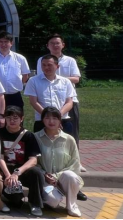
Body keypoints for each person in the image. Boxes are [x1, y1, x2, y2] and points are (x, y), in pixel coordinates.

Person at [37, 36, 84, 167]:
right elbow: (41, 76)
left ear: (63, 45)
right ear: (47, 45)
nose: (55, 45)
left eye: (57, 43)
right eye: (52, 43)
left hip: (68, 100)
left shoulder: (70, 60)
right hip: (48, 99)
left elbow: (76, 78)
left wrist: (57, 78)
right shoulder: (42, 59)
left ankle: (76, 161)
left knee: (71, 133)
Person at [0, 105, 46, 216]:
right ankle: (12, 196)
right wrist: (8, 175)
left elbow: (33, 160)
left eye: (15, 118)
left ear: (22, 119)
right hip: (5, 171)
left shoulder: (28, 136)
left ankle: (35, 203)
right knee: (16, 202)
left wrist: (17, 172)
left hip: (22, 171)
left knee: (36, 173)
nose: (12, 121)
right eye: (9, 118)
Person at [35, 107, 84, 217]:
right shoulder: (36, 137)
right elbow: (33, 162)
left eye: (55, 118)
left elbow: (75, 164)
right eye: (47, 118)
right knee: (53, 201)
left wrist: (56, 176)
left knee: (71, 176)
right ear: (42, 120)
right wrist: (44, 174)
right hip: (45, 179)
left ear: (60, 120)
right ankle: (46, 198)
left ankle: (72, 206)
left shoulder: (69, 139)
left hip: (63, 178)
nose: (51, 121)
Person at [25, 54, 75, 134]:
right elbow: (33, 102)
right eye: (43, 65)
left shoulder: (66, 82)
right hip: (42, 120)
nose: (46, 67)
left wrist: (57, 117)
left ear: (57, 66)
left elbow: (69, 102)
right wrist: (48, 117)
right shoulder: (33, 81)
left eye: (49, 65)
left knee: (66, 142)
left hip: (63, 120)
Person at [0, 31, 31, 109]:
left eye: (6, 42)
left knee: (16, 116)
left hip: (15, 96)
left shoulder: (20, 58)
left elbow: (25, 75)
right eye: (1, 42)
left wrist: (16, 85)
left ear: (11, 43)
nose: (3, 44)